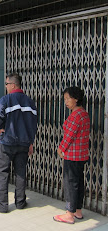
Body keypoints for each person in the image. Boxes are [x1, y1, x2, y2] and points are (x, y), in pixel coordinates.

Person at [0, 73, 37, 213]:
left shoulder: (6, 100)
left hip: (8, 142)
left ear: (13, 85)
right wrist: (30, 142)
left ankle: (2, 205)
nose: (6, 87)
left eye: (7, 84)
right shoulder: (30, 102)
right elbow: (33, 124)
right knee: (20, 172)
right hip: (24, 143)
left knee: (2, 172)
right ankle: (20, 202)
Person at [53, 86, 90, 224]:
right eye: (65, 99)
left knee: (70, 184)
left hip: (72, 155)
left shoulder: (76, 115)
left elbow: (69, 136)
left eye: (68, 98)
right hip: (81, 155)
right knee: (78, 183)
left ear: (76, 99)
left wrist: (61, 149)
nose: (66, 101)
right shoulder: (84, 114)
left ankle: (69, 213)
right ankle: (78, 211)